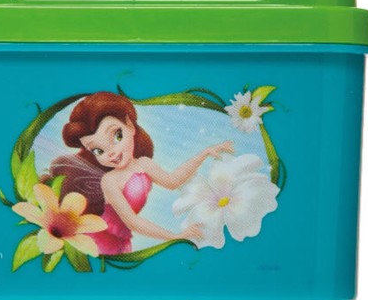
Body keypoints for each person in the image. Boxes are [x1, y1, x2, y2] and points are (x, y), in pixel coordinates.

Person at [50, 92, 233, 255]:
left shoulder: (144, 164)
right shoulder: (109, 181)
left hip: (122, 240)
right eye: (98, 151)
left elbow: (173, 181)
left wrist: (204, 154)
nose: (111, 153)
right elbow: (132, 222)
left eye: (117, 136)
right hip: (100, 240)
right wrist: (174, 236)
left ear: (130, 126)